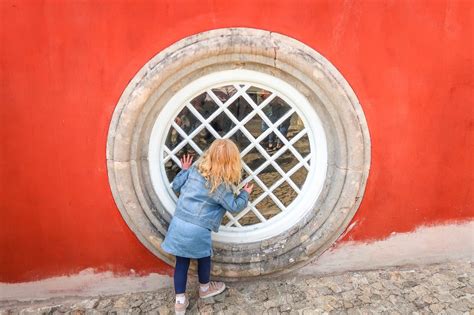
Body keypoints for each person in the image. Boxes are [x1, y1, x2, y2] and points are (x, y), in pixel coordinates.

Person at [160, 139, 254, 315]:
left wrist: (185, 170)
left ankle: (179, 302)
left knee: (181, 263)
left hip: (179, 224)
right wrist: (244, 194)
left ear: (209, 154)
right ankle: (204, 289)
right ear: (232, 163)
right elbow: (234, 206)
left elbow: (176, 185)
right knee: (204, 258)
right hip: (198, 229)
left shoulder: (195, 170)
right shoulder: (221, 186)